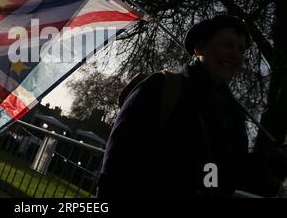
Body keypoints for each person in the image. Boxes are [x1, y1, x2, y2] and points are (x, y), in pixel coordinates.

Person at [97, 14, 287, 198]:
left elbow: (223, 177)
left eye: (241, 49)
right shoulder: (162, 88)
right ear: (199, 48)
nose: (235, 55)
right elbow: (117, 168)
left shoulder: (234, 116)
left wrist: (271, 169)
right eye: (227, 45)